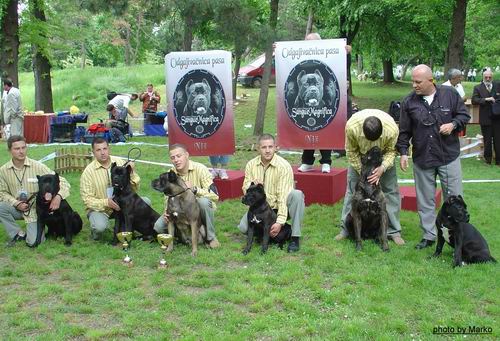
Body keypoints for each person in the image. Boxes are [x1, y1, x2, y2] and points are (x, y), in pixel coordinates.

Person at [396, 64, 470, 249]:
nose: (414, 85)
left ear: (431, 81)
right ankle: (429, 236)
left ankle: (458, 235)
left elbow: (464, 115)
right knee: (425, 200)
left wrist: (453, 125)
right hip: (423, 158)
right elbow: (404, 131)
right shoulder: (408, 102)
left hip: (448, 156)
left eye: (418, 82)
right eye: (413, 81)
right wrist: (403, 153)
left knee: (454, 198)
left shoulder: (450, 94)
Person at [335, 109, 405, 245]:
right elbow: (351, 151)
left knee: (390, 191)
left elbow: (391, 151)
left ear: (382, 133)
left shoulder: (391, 129)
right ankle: (345, 230)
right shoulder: (352, 127)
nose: (373, 144)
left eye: (376, 140)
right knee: (352, 192)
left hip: (383, 157)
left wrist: (382, 168)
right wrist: (364, 173)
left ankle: (393, 231)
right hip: (360, 159)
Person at [238, 134, 305, 252]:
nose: (267, 150)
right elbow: (245, 188)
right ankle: (265, 233)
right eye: (264, 147)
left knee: (297, 195)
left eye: (270, 147)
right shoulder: (251, 165)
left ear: (275, 148)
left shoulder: (283, 166)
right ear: (258, 149)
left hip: (280, 206)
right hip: (261, 208)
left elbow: (283, 196)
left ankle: (295, 237)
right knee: (244, 228)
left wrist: (279, 222)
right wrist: (251, 185)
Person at [0, 135, 71, 247]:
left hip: (35, 211)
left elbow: (63, 182)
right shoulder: (3, 171)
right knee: (1, 207)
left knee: (33, 242)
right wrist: (16, 203)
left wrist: (58, 197)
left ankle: (33, 232)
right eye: (17, 149)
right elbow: (2, 192)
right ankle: (17, 233)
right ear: (9, 150)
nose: (21, 151)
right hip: (16, 207)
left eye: (23, 147)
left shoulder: (38, 166)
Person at [298, 32, 352, 173]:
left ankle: (326, 161)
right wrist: (277, 51)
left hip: (325, 96)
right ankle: (307, 161)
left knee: (325, 126)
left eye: (313, 42)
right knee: (306, 127)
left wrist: (346, 53)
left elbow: (342, 64)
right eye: (307, 42)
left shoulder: (329, 52)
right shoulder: (298, 54)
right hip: (305, 99)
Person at [154, 144, 221, 248]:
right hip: (178, 210)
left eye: (179, 156)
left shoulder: (201, 169)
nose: (176, 160)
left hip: (197, 210)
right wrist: (166, 210)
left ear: (187, 155)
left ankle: (210, 237)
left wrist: (194, 189)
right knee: (158, 227)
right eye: (173, 157)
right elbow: (167, 196)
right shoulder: (170, 173)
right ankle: (184, 236)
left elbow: (215, 195)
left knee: (203, 202)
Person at [80, 137, 148, 240]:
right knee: (100, 227)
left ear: (109, 149)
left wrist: (132, 172)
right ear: (93, 152)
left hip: (121, 204)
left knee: (146, 201)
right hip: (101, 209)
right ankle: (95, 231)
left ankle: (129, 228)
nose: (102, 153)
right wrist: (106, 202)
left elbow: (134, 188)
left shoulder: (120, 162)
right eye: (98, 150)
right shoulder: (88, 172)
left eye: (105, 149)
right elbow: (87, 200)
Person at [471, 70, 500, 165]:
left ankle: (498, 160)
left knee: (498, 139)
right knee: (487, 140)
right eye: (486, 77)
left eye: (490, 77)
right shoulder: (478, 87)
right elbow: (474, 100)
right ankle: (488, 160)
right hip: (485, 117)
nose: (488, 79)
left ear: (492, 77)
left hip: (497, 117)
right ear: (483, 77)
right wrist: (486, 99)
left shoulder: (497, 85)